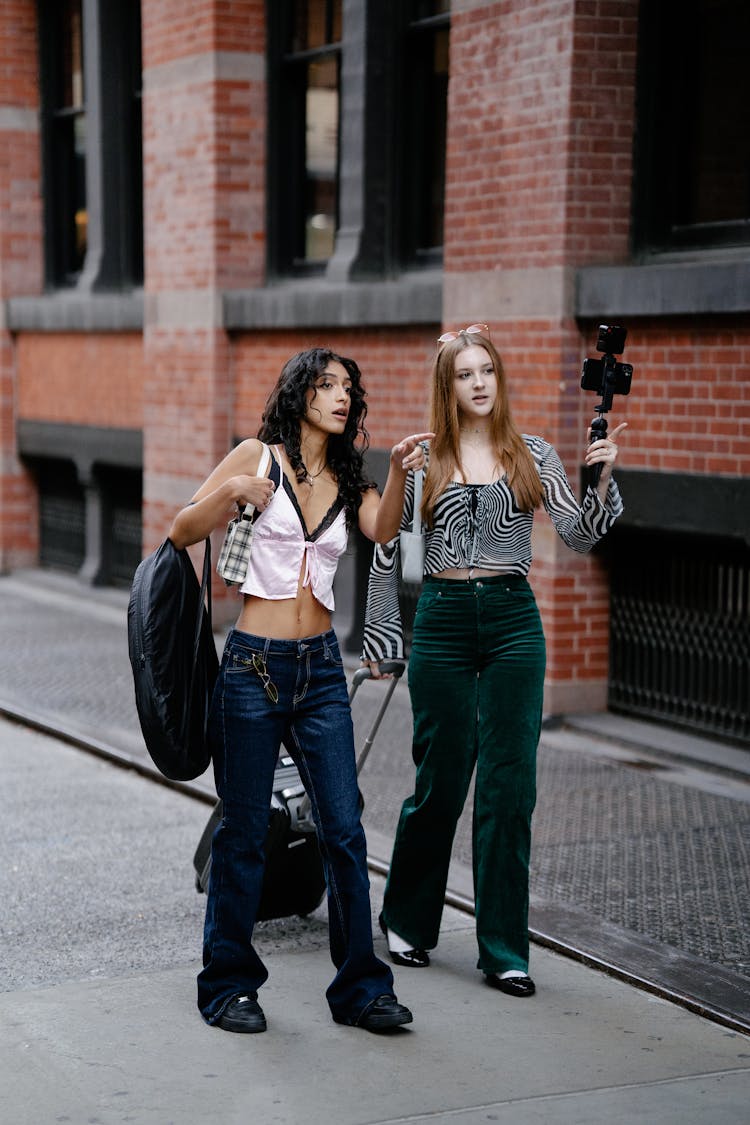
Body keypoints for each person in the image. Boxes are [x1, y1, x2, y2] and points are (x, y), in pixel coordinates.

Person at [169, 346, 431, 1033]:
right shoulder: (256, 457)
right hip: (253, 668)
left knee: (343, 828)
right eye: (327, 385)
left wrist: (399, 470)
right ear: (299, 394)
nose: (342, 396)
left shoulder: (349, 474)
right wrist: (231, 496)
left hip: (318, 670)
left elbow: (381, 528)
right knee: (246, 833)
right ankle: (228, 984)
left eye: (349, 387)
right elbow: (180, 529)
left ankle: (362, 989)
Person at [361, 324, 626, 998]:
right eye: (464, 373)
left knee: (510, 790)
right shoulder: (423, 458)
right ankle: (407, 918)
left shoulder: (532, 453)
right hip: (445, 623)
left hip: (513, 622)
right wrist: (384, 637)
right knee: (440, 782)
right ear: (446, 385)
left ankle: (505, 947)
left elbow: (579, 536)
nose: (479, 382)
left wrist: (602, 481)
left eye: (487, 371)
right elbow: (386, 541)